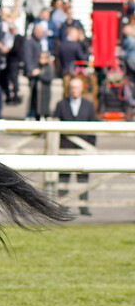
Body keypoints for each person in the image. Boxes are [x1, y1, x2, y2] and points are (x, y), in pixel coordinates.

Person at [53, 76, 97, 215]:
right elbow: (54, 126)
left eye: (77, 87)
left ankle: (83, 206)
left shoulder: (89, 105)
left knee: (83, 177)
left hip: (83, 148)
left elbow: (93, 128)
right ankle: (63, 206)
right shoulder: (61, 104)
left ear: (82, 88)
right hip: (65, 147)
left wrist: (90, 147)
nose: (74, 90)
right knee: (64, 177)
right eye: (72, 87)